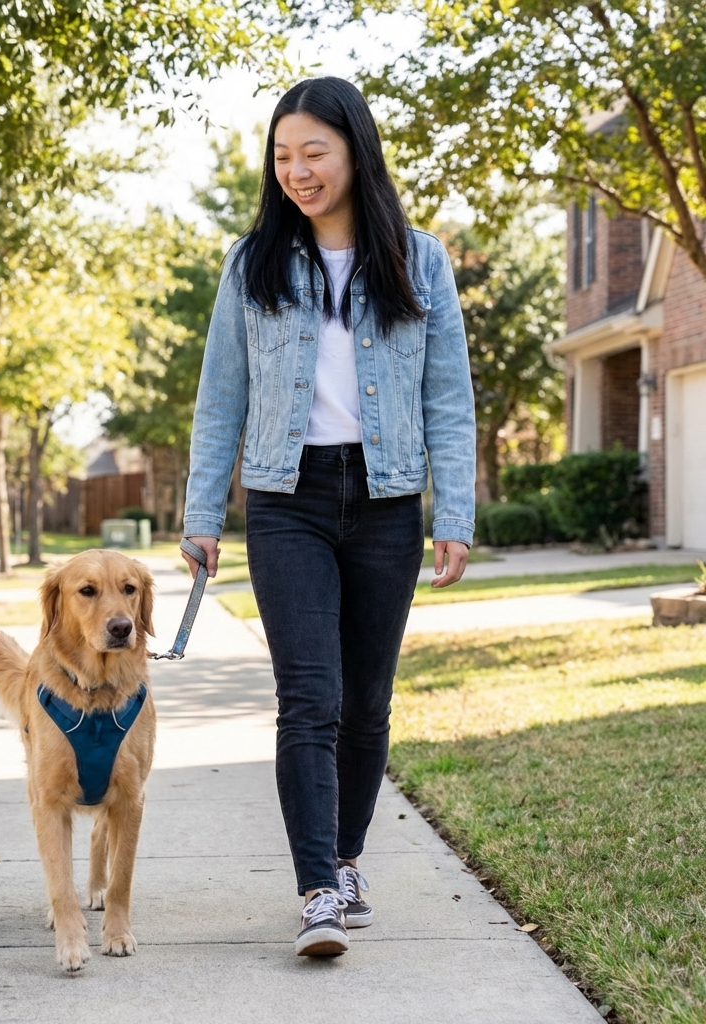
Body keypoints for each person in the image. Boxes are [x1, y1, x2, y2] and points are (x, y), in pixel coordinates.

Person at [181, 77, 476, 957]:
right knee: (309, 696)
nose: (297, 171)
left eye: (314, 152)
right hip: (286, 500)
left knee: (367, 704)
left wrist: (451, 510)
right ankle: (316, 889)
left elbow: (447, 397)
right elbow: (219, 396)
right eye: (282, 156)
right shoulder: (255, 262)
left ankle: (346, 859)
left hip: (387, 501)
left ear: (354, 150)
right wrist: (203, 512)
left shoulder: (419, 262)